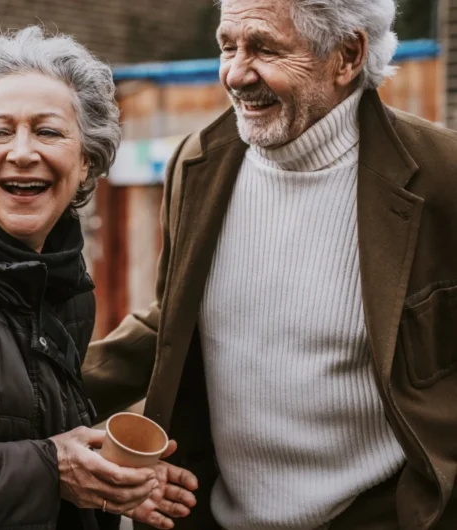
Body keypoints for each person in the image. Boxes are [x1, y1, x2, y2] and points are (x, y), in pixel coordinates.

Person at [84, 0, 457, 529]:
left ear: (347, 55)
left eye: (263, 48)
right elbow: (171, 321)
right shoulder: (198, 163)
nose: (235, 73)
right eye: (227, 45)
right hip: (217, 515)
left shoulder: (444, 177)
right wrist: (19, 402)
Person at [0, 26, 198, 530]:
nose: (22, 152)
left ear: (87, 158)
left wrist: (109, 481)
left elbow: (44, 445)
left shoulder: (66, 285)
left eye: (48, 131)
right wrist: (54, 468)